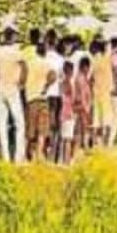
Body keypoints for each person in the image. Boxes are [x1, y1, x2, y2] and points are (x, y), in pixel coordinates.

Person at [0, 27, 28, 163]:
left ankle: (5, 157)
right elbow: (25, 67)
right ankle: (19, 157)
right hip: (13, 89)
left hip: (0, 89)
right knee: (19, 123)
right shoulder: (16, 52)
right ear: (12, 37)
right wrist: (22, 83)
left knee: (2, 125)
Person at [24, 40, 56, 161]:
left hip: (30, 97)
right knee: (42, 129)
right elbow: (53, 76)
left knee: (30, 128)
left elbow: (23, 76)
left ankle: (28, 153)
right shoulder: (47, 64)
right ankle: (39, 153)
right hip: (43, 98)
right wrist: (46, 86)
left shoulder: (30, 63)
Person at [90, 39, 115, 147]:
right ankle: (106, 143)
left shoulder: (93, 60)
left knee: (96, 120)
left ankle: (96, 143)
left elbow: (89, 77)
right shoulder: (107, 60)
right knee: (108, 119)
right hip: (107, 93)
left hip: (96, 92)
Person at [44, 29, 64, 159]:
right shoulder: (60, 59)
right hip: (56, 94)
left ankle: (45, 150)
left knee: (45, 124)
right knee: (55, 125)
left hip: (44, 94)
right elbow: (62, 77)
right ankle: (54, 153)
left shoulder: (43, 58)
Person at [58, 60, 78, 164]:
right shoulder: (69, 83)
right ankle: (66, 161)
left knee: (65, 138)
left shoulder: (61, 84)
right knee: (68, 139)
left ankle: (63, 160)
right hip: (69, 113)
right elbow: (72, 99)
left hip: (63, 112)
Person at [75, 56, 93, 150]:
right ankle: (84, 146)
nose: (88, 69)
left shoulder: (83, 77)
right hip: (83, 106)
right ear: (83, 67)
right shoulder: (81, 78)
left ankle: (83, 145)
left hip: (84, 105)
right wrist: (86, 109)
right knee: (83, 127)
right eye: (87, 67)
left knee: (83, 127)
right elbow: (82, 94)